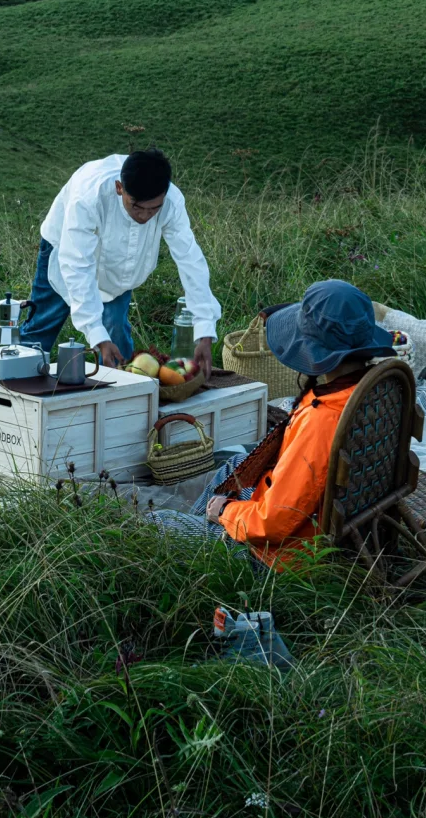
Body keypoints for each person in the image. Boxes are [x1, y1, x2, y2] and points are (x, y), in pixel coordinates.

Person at [150, 280, 395, 569]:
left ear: (313, 350)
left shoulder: (322, 420)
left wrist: (227, 512)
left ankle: (207, 546)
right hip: (333, 514)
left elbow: (275, 522)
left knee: (155, 521)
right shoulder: (373, 388)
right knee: (237, 466)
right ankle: (201, 527)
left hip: (281, 554)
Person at [24, 148, 221, 372]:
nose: (145, 216)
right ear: (120, 188)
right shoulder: (88, 197)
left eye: (154, 209)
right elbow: (77, 265)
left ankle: (127, 395)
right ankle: (15, 387)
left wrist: (204, 329)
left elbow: (190, 261)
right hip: (64, 249)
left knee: (115, 332)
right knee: (42, 327)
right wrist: (96, 334)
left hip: (120, 261)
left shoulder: (172, 202)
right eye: (137, 207)